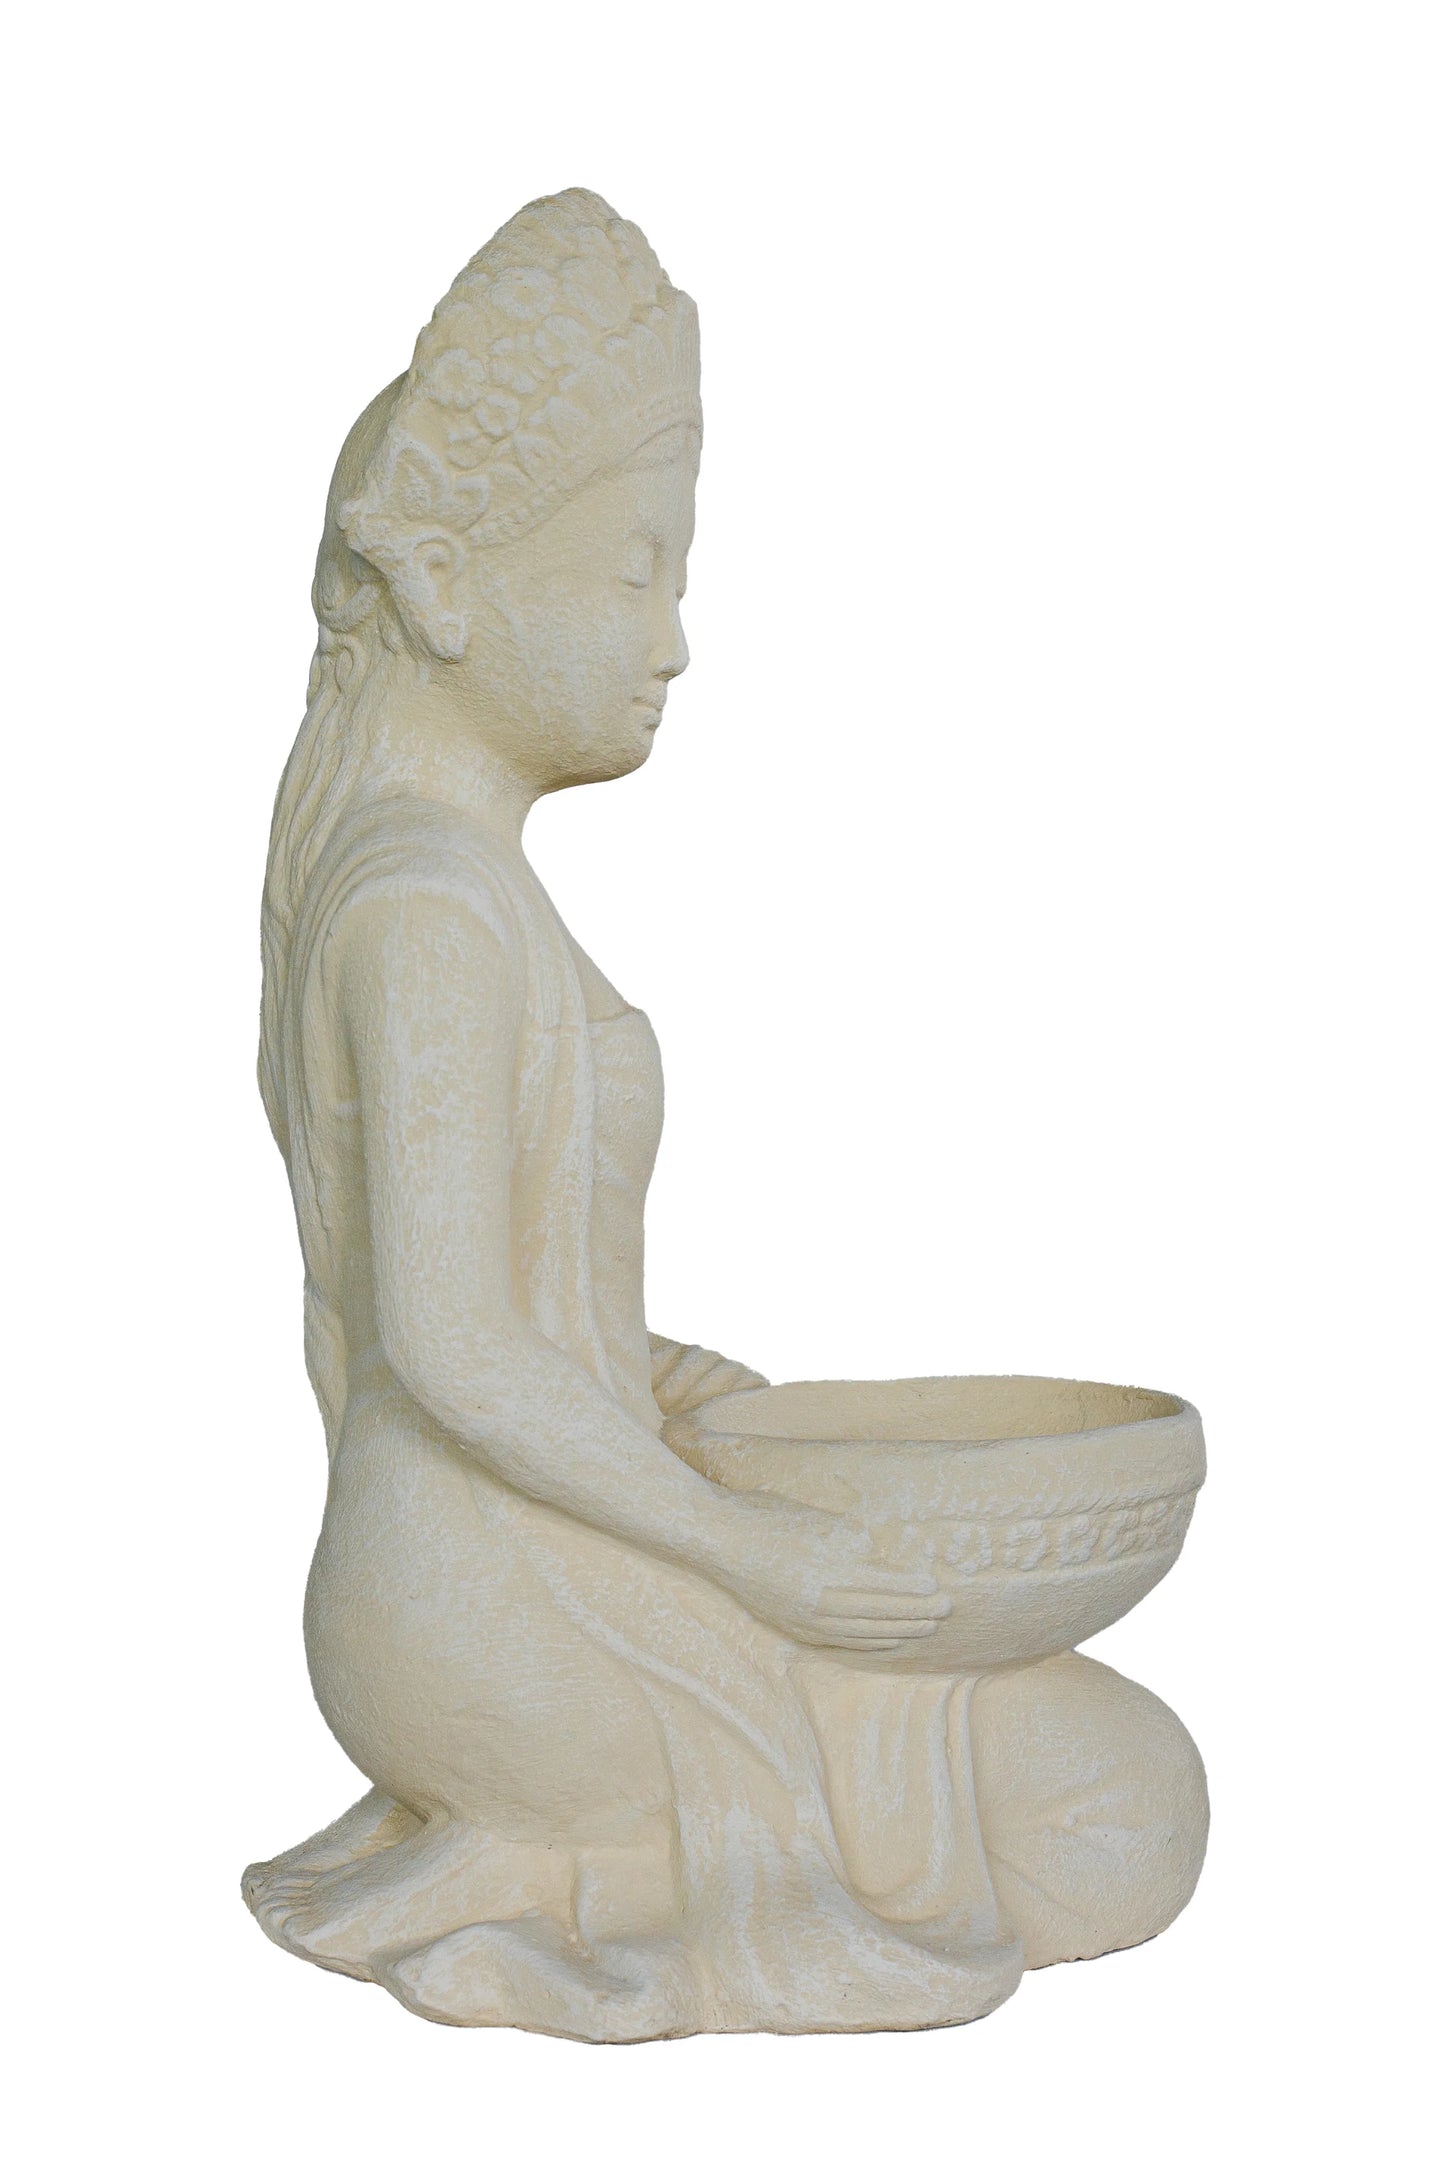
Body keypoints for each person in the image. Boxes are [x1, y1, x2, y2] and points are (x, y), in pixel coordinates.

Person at [244, 191, 1206, 2039]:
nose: (672, 639)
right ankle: (575, 1840)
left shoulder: (457, 892)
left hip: (530, 1534)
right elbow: (445, 1343)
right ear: (444, 585)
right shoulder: (425, 913)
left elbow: (499, 1305)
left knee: (1107, 1784)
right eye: (634, 572)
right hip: (492, 1599)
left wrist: (653, 1379)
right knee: (1115, 1807)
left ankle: (610, 1812)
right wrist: (748, 1547)